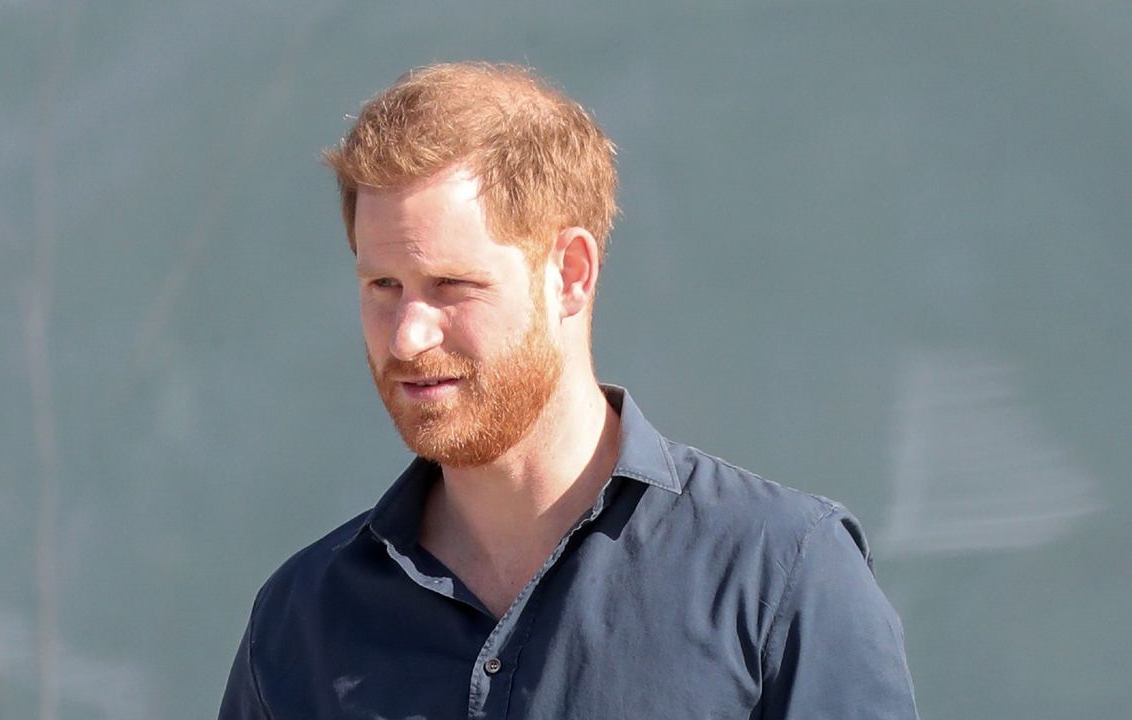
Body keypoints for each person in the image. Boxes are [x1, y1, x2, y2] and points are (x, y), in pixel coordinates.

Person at [218, 62, 919, 719]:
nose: (407, 338)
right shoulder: (299, 620)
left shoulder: (781, 576)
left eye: (451, 286)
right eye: (383, 287)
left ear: (571, 274)